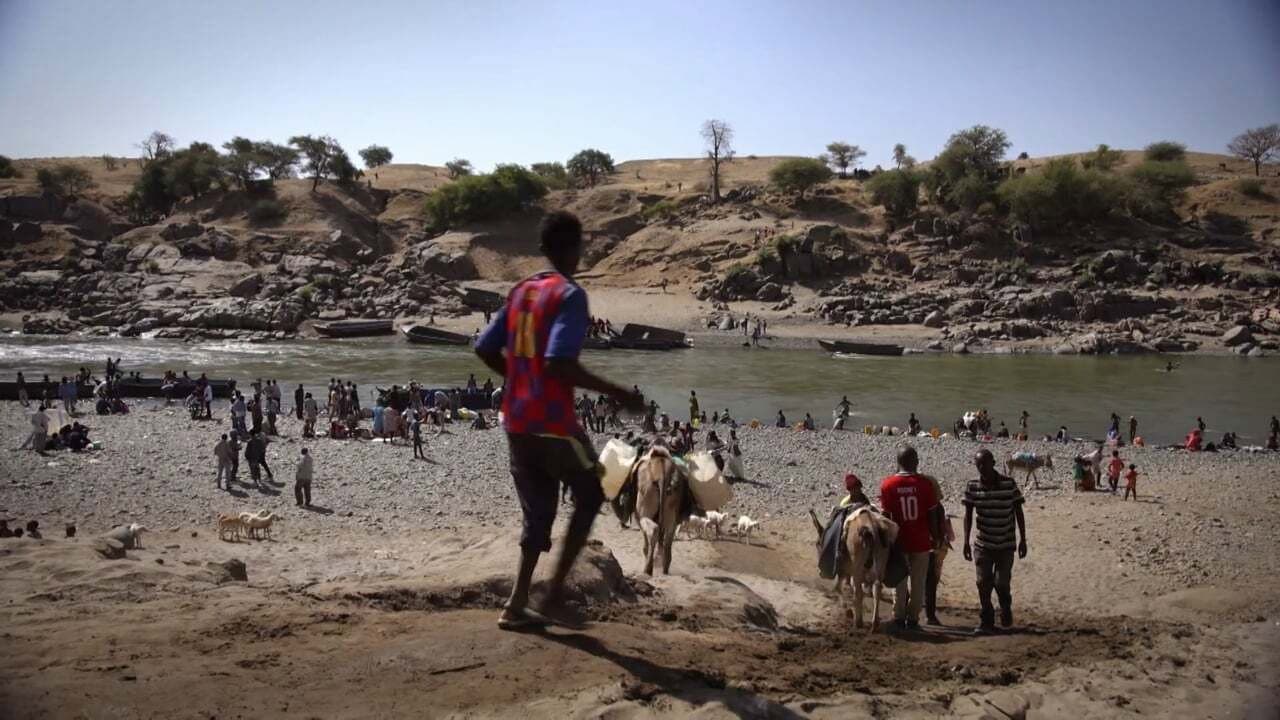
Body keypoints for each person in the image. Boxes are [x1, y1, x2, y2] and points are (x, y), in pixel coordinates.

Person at [474, 210, 643, 631]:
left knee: (538, 512)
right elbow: (559, 363)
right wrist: (617, 392)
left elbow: (483, 347)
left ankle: (516, 604)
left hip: (515, 421)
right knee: (590, 492)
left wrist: (517, 379)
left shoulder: (521, 291)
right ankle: (551, 596)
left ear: (543, 249)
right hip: (553, 422)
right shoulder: (569, 295)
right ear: (574, 249)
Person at [962, 449, 1028, 634]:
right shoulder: (972, 486)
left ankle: (1005, 607)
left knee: (1001, 583)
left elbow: (1018, 512)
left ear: (993, 462)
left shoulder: (1009, 484)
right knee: (983, 582)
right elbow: (968, 515)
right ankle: (986, 620)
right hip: (983, 544)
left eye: (985, 463)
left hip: (1006, 544)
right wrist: (966, 542)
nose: (982, 468)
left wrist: (1023, 539)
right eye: (978, 464)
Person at [879, 446, 941, 631]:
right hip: (921, 541)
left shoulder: (888, 485)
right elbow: (932, 514)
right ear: (916, 462)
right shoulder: (925, 484)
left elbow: (886, 517)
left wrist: (887, 543)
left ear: (898, 463)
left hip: (899, 542)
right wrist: (936, 537)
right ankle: (913, 619)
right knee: (919, 582)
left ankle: (898, 618)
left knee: (899, 582)